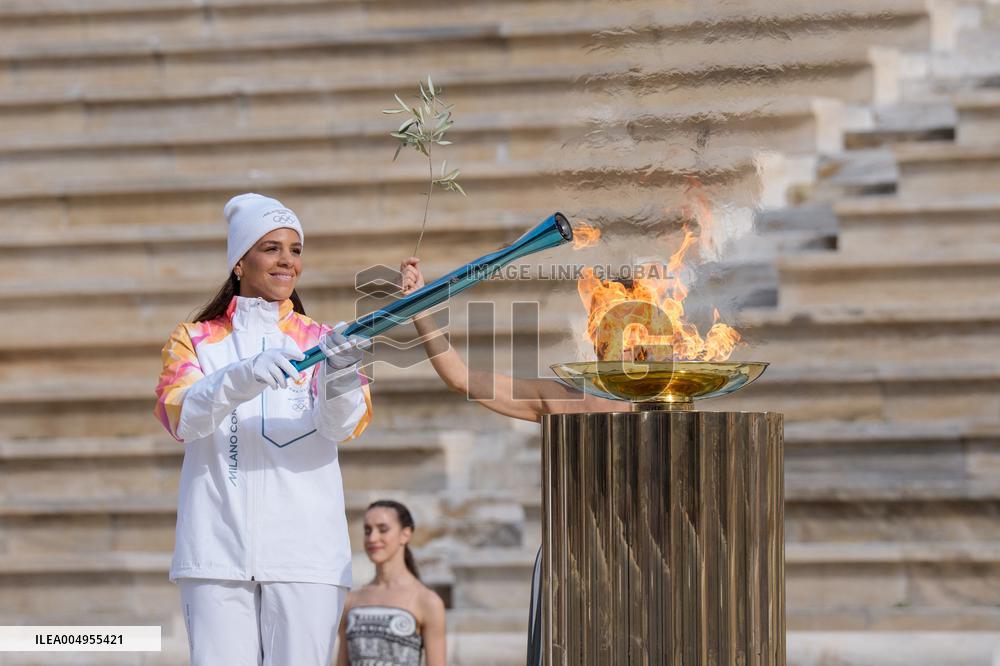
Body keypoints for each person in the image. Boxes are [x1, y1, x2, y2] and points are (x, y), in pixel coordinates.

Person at [153, 193, 373, 666]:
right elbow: (182, 418)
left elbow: (342, 427)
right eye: (271, 248)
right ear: (240, 262)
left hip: (307, 556)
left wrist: (339, 377)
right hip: (214, 553)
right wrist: (242, 374)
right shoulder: (193, 339)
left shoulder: (321, 340)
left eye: (295, 250)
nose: (287, 261)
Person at [398, 256, 626, 665]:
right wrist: (421, 310)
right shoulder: (560, 398)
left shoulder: (667, 401)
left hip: (646, 555)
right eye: (603, 315)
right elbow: (461, 378)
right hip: (569, 557)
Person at [337, 500, 446, 666]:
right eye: (367, 530)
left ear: (406, 534)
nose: (373, 538)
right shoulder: (351, 600)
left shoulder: (427, 601)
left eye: (383, 529)